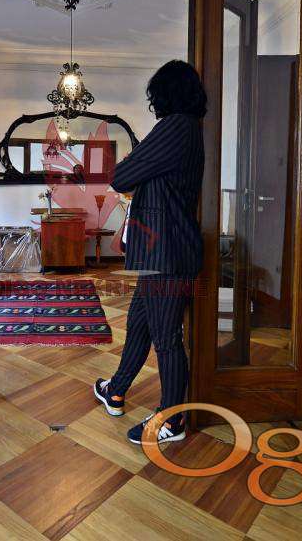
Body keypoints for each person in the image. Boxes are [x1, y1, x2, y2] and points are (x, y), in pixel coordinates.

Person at [92, 59, 206, 444]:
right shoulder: (188, 129)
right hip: (164, 253)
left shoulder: (175, 127)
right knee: (140, 323)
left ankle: (172, 420)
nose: (153, 102)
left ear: (167, 94)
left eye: (156, 95)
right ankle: (116, 389)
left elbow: (121, 176)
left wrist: (133, 165)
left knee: (167, 337)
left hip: (168, 254)